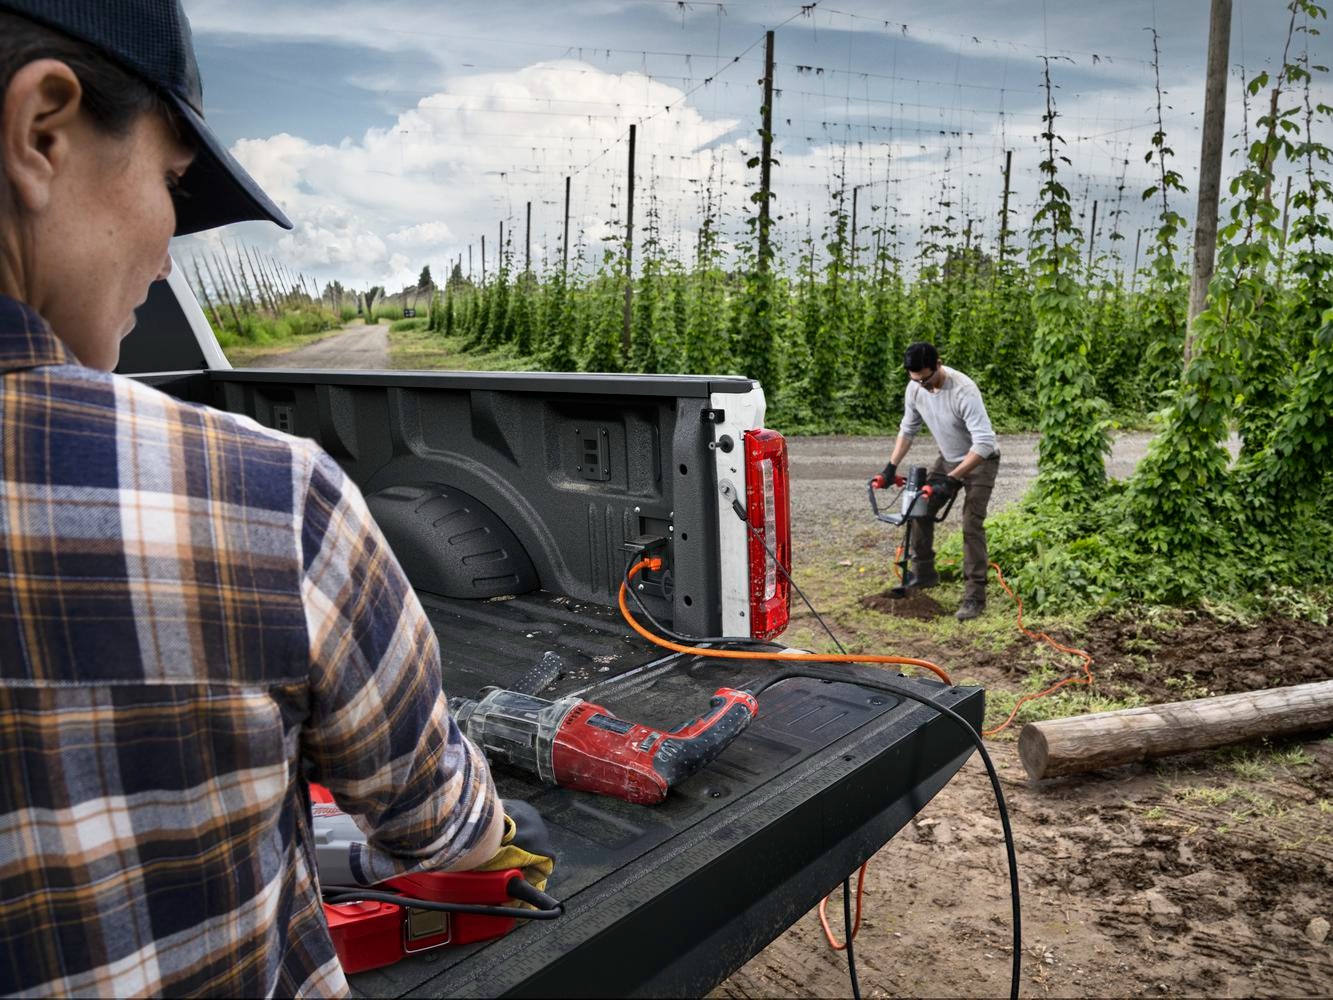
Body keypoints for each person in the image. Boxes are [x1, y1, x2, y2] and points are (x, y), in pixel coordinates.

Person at [0, 3, 504, 995]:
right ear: (42, 131)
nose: (165, 251)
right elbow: (442, 826)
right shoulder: (265, 502)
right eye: (171, 183)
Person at [875, 341, 1000, 621]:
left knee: (971, 524)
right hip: (948, 457)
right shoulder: (916, 388)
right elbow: (908, 429)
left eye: (927, 380)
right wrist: (890, 466)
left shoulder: (963, 389)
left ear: (939, 364)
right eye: (917, 381)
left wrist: (952, 479)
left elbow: (983, 443)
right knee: (920, 509)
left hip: (981, 461)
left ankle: (975, 596)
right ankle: (925, 574)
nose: (924, 387)